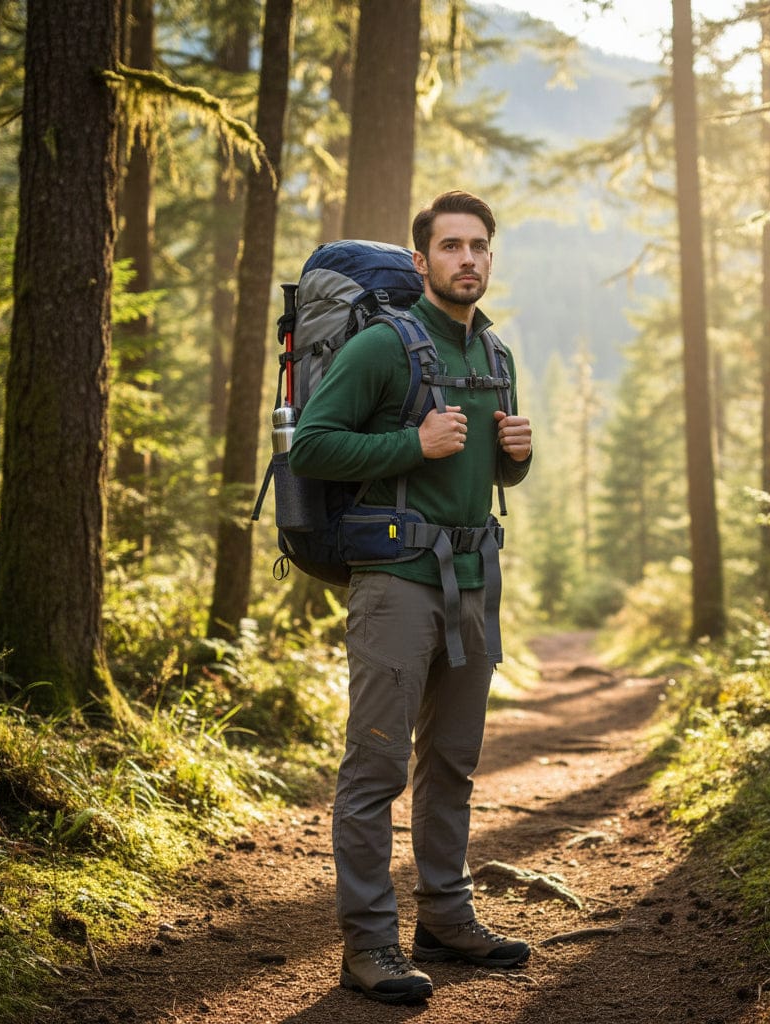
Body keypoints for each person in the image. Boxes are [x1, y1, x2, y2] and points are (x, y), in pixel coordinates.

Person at [289, 190, 533, 1004]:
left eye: (479, 246)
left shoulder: (493, 355)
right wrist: (412, 442)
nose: (467, 258)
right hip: (395, 584)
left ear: (490, 259)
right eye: (451, 245)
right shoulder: (386, 348)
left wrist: (515, 459)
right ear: (421, 259)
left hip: (472, 580)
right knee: (377, 768)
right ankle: (368, 945)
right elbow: (315, 446)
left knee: (454, 763)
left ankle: (446, 918)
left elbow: (480, 471)